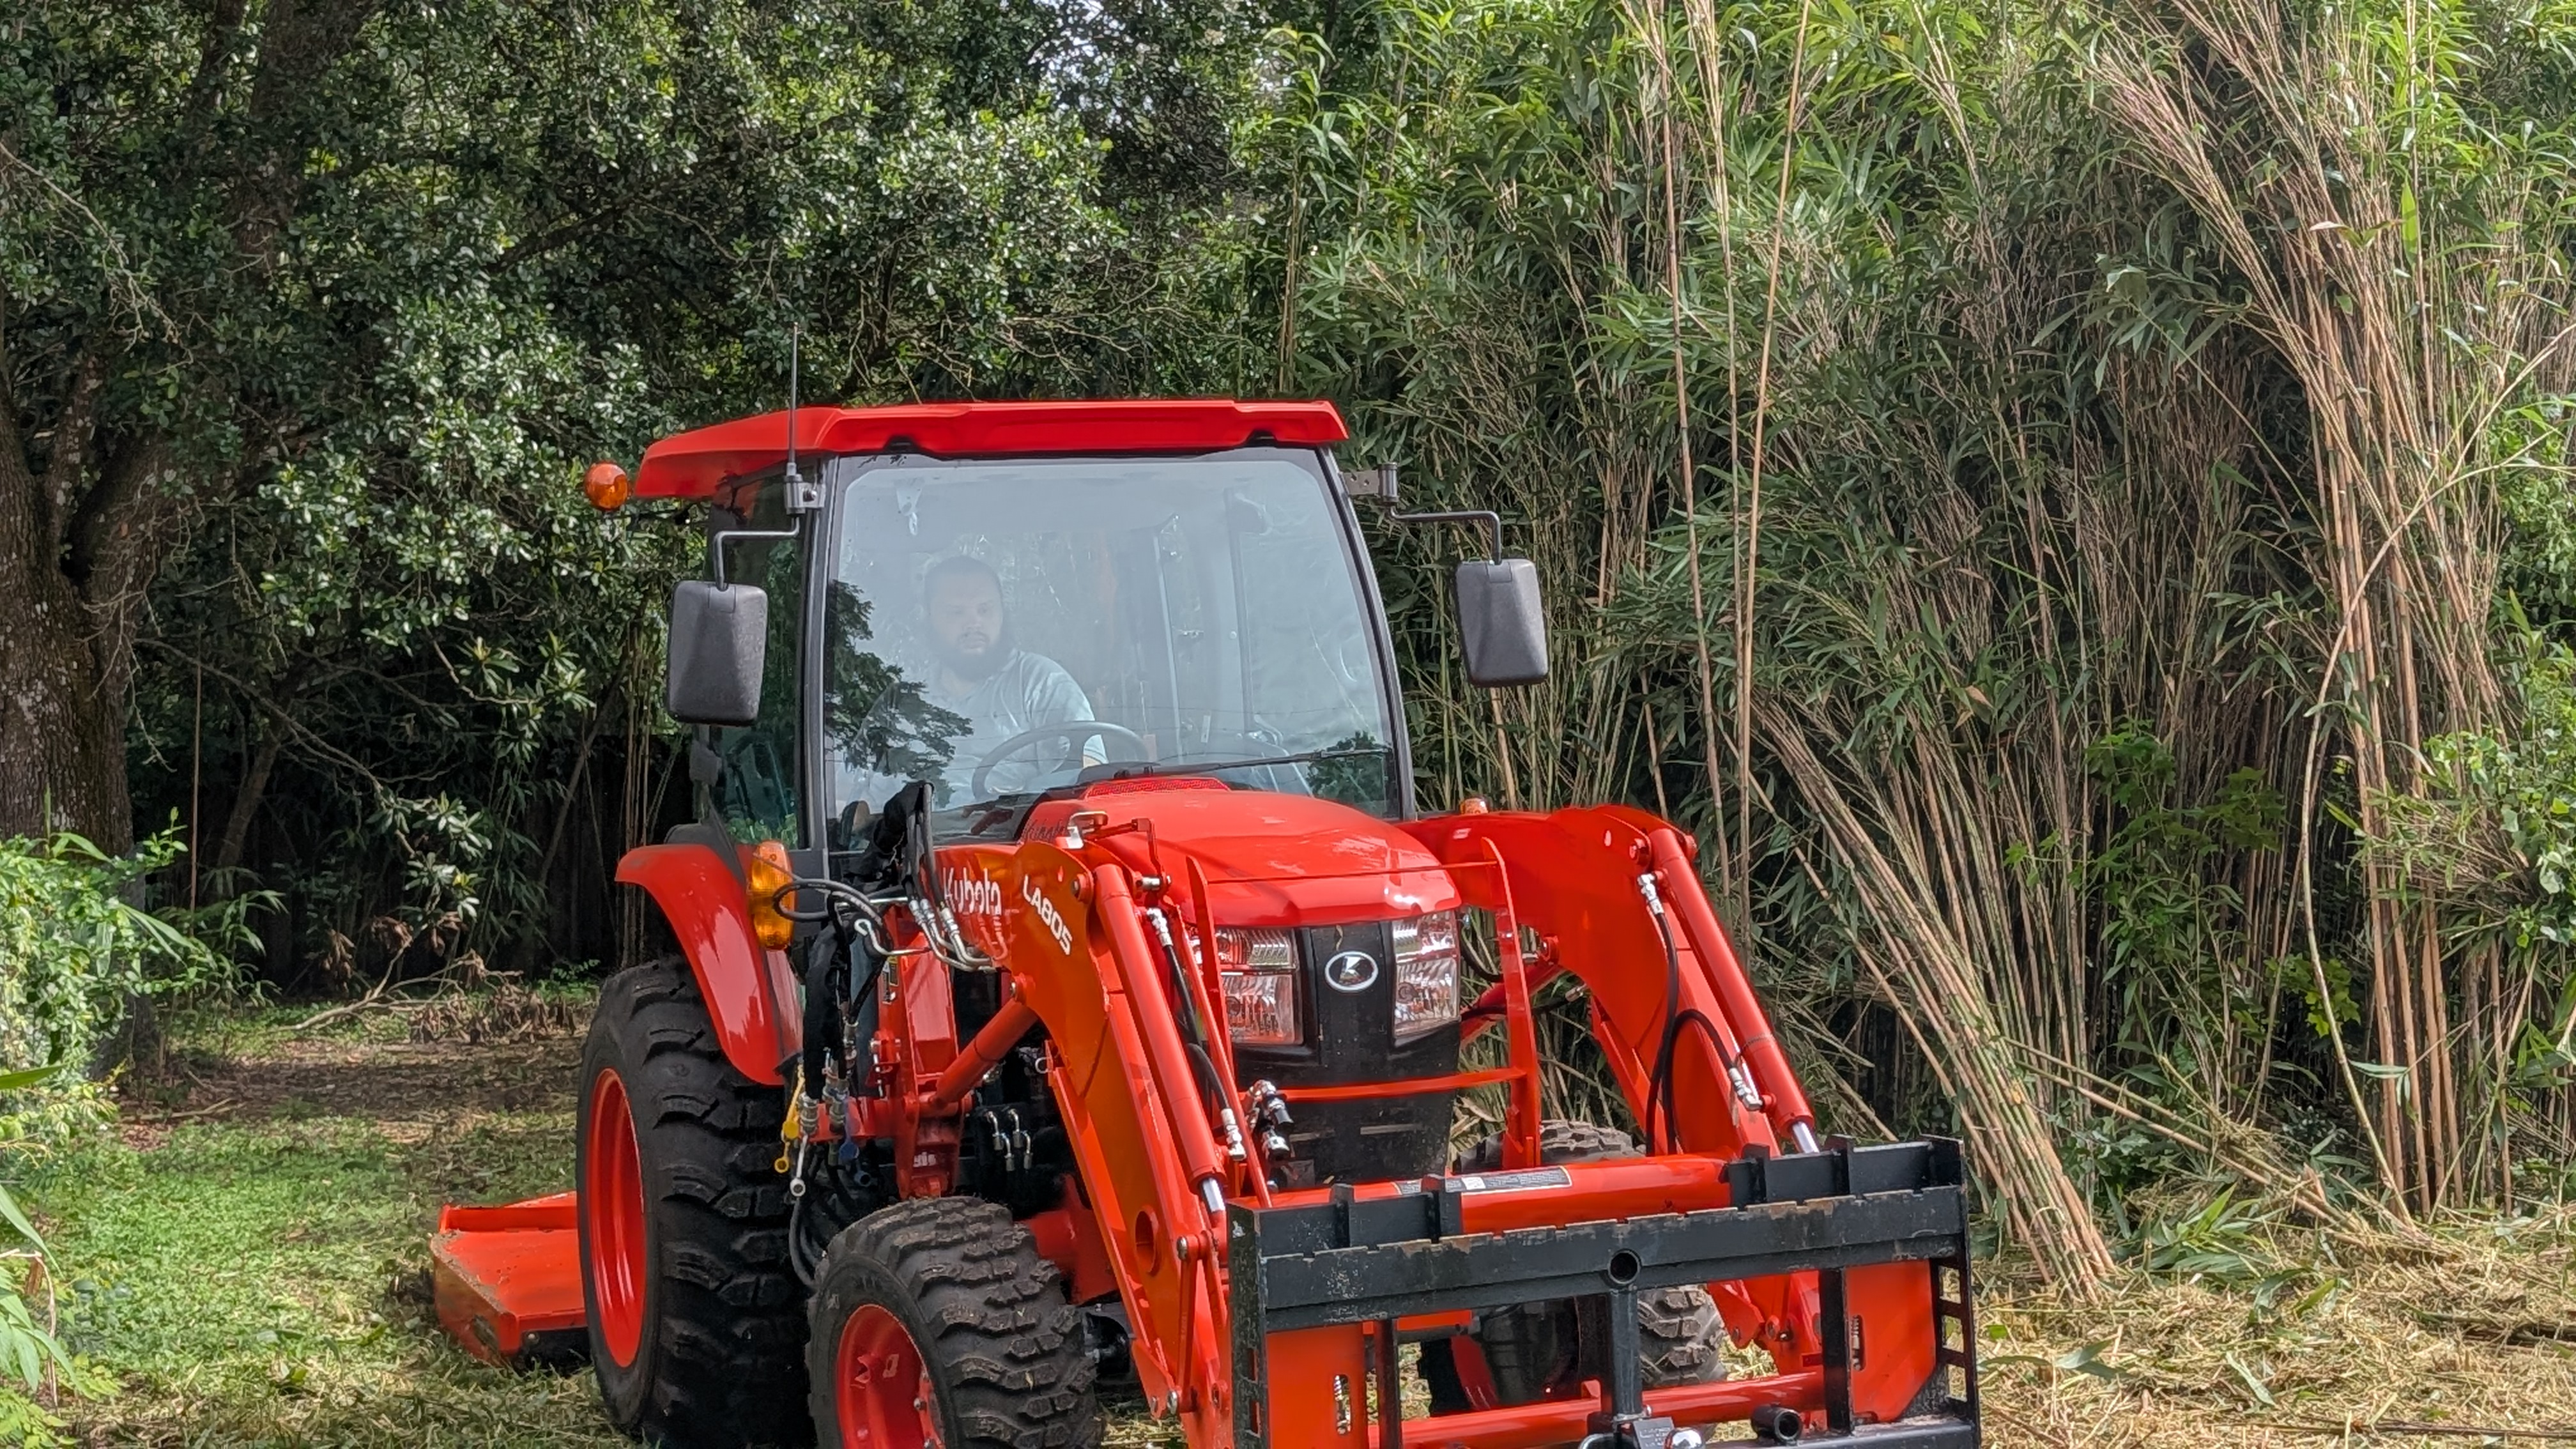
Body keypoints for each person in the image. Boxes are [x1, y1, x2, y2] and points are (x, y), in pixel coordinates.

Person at [910, 555, 1096, 802]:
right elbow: (856, 801)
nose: (974, 622)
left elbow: (1088, 779)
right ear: (930, 618)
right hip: (907, 839)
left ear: (1002, 612)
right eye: (956, 612)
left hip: (1014, 836)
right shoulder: (903, 703)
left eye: (985, 609)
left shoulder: (1041, 684)